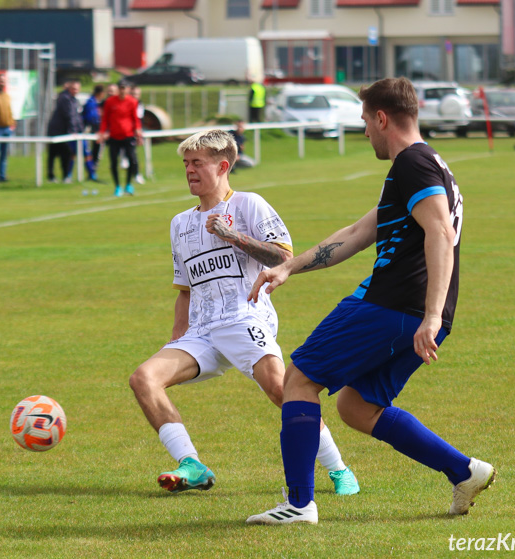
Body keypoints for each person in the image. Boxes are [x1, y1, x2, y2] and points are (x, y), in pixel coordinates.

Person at [245, 77, 494, 526]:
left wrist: (430, 316)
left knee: (298, 379)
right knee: (357, 407)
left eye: (364, 121)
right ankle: (465, 471)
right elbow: (358, 234)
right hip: (414, 311)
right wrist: (289, 267)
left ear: (382, 118)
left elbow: (440, 233)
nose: (363, 132)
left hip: (394, 306)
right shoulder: (427, 163)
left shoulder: (412, 163)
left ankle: (299, 504)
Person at [129, 129, 359, 496]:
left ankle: (339, 469)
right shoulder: (179, 223)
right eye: (186, 164)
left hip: (244, 318)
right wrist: (177, 333)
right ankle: (192, 464)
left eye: (197, 163)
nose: (189, 170)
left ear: (223, 166)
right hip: (201, 330)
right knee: (144, 378)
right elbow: (185, 287)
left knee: (282, 391)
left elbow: (285, 258)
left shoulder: (249, 205)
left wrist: (232, 235)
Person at [98, 80, 142, 197]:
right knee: (113, 162)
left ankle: (128, 184)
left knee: (132, 160)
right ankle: (117, 186)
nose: (122, 90)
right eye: (121, 88)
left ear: (128, 89)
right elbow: (105, 119)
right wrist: (102, 132)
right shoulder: (110, 102)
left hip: (128, 135)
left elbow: (135, 119)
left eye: (124, 88)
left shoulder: (132, 101)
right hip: (114, 136)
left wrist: (138, 131)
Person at [47, 78, 83, 184]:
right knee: (55, 155)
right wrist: (73, 130)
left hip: (64, 132)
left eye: (77, 89)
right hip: (57, 132)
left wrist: (80, 129)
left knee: (65, 155)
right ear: (69, 88)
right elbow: (69, 116)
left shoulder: (73, 100)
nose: (75, 91)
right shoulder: (65, 98)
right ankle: (53, 176)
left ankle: (64, 176)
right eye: (73, 88)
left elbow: (77, 117)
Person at [82, 84, 106, 182]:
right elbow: (92, 118)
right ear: (101, 93)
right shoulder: (91, 103)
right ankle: (91, 174)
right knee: (88, 153)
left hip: (90, 132)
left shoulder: (94, 102)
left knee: (92, 153)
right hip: (86, 132)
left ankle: (92, 174)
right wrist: (97, 129)